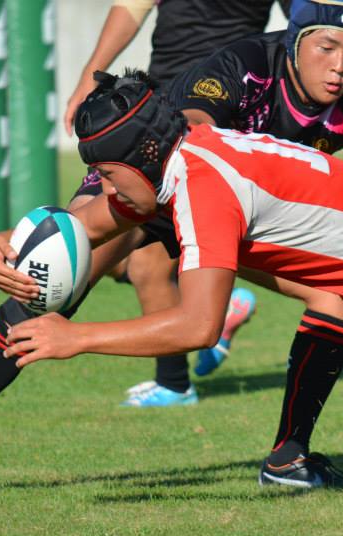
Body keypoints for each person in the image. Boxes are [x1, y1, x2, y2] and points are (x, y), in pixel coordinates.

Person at [0, 0, 343, 491]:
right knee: (48, 277)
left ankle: (288, 457)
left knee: (336, 297)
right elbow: (188, 133)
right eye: (327, 47)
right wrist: (19, 238)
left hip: (243, 218)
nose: (341, 65)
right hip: (160, 185)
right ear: (297, 37)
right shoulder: (245, 63)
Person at [63, 0, 289, 408]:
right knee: (107, 250)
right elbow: (131, 7)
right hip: (154, 105)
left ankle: (175, 381)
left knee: (147, 264)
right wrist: (88, 77)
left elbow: (308, 28)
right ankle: (216, 308)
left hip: (217, 115)